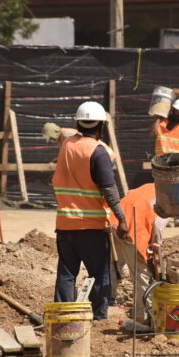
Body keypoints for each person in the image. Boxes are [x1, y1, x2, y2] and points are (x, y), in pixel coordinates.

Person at [52, 101, 130, 321]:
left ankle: (62, 316)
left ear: (78, 123)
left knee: (66, 274)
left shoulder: (67, 146)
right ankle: (98, 316)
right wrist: (121, 218)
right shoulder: (98, 151)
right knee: (98, 273)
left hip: (65, 224)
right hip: (91, 226)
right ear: (101, 127)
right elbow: (109, 189)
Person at [112, 182, 170, 325]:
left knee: (114, 266)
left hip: (115, 222)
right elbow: (157, 227)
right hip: (131, 229)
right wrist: (155, 249)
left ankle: (106, 302)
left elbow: (130, 194)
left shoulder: (154, 186)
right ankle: (142, 316)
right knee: (141, 275)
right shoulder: (172, 199)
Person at [150, 89, 179, 156]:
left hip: (177, 162)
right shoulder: (162, 120)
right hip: (161, 161)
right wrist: (158, 117)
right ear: (173, 109)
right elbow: (152, 133)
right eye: (178, 111)